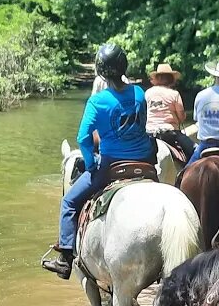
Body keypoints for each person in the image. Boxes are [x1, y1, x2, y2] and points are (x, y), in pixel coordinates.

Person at [42, 44, 156, 279]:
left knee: (69, 203)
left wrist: (91, 164)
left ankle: (65, 258)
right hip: (145, 161)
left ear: (101, 72)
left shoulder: (98, 101)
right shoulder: (139, 93)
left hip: (112, 165)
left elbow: (83, 138)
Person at [144, 63, 196, 160]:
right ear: (171, 78)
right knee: (195, 152)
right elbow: (181, 116)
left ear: (157, 78)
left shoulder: (148, 93)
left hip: (149, 133)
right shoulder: (174, 94)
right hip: (169, 133)